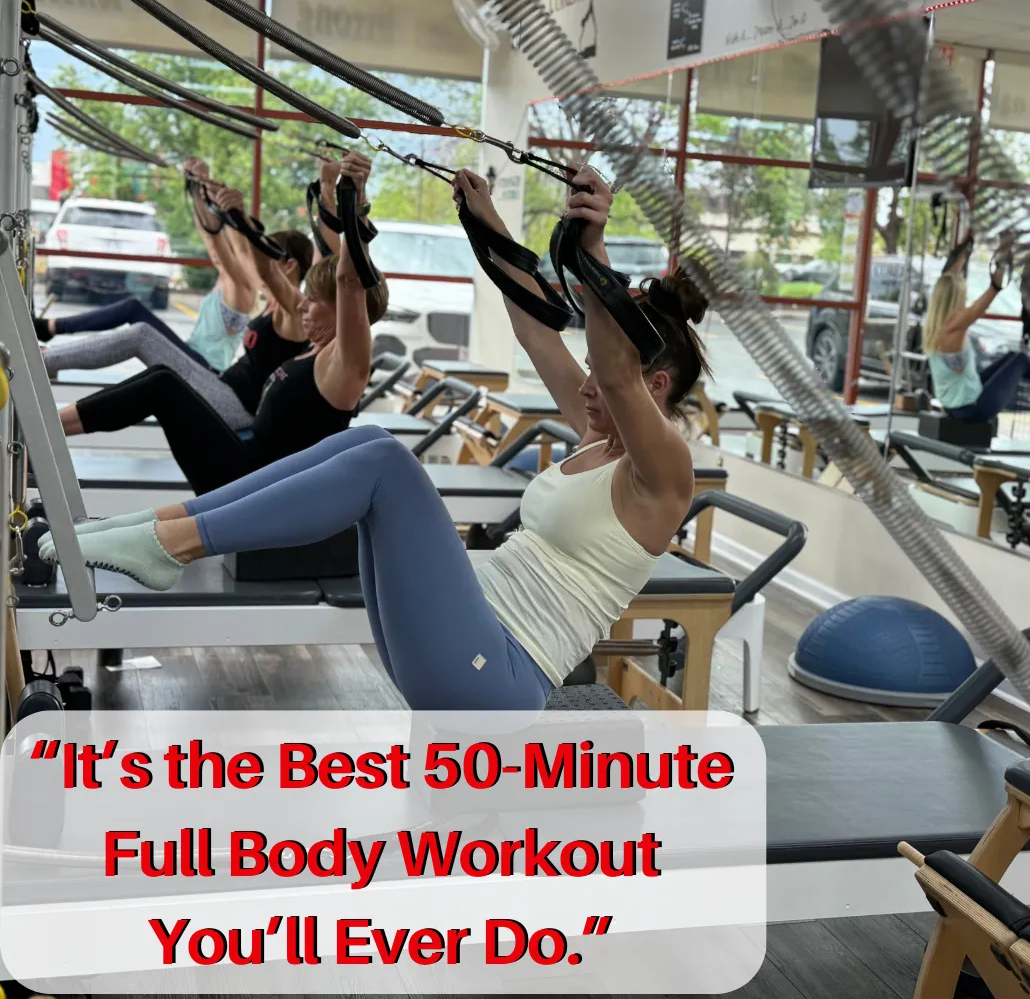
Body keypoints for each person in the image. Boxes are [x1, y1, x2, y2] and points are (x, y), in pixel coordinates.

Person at [47, 166, 711, 713]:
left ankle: (173, 543)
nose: (587, 381)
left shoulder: (663, 474)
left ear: (655, 387)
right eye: (589, 372)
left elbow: (615, 372)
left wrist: (592, 254)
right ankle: (167, 525)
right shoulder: (595, 431)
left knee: (385, 462)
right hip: (457, 637)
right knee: (360, 448)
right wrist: (485, 225)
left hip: (495, 673)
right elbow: (536, 328)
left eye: (604, 373)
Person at [54, 153, 387, 496]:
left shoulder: (344, 364)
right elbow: (326, 256)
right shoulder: (316, 349)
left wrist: (356, 198)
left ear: (343, 312)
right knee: (161, 379)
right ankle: (48, 427)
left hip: (251, 486)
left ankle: (45, 427)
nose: (303, 301)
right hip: (244, 463)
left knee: (162, 384)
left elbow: (347, 280)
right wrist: (329, 187)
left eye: (314, 299)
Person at [38, 173, 322, 429]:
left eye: (272, 255)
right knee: (153, 371)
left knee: (142, 336)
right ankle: (51, 417)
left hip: (234, 405)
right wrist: (202, 194)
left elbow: (262, 265)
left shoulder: (294, 309)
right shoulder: (270, 303)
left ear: (290, 265)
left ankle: (46, 368)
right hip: (222, 386)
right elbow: (224, 246)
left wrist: (240, 216)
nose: (259, 259)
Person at [35, 159, 292, 373]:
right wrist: (198, 188)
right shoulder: (229, 279)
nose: (224, 252)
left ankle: (51, 341)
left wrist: (229, 209)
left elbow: (226, 240)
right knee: (134, 315)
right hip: (191, 355)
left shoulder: (244, 289)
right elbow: (211, 235)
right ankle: (51, 336)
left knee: (134, 312)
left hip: (204, 368)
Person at [925, 236, 1030, 424]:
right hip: (972, 409)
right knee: (1020, 361)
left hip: (957, 403)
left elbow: (948, 277)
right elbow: (992, 290)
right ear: (955, 298)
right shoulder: (955, 325)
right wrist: (1003, 257)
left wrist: (968, 243)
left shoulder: (936, 323)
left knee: (1012, 357)